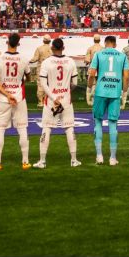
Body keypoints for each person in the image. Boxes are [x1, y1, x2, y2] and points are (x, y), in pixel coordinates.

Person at [34, 38, 80, 168]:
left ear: (52, 48)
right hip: (66, 99)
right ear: (63, 48)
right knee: (69, 128)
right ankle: (74, 160)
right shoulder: (71, 61)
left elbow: (43, 84)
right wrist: (65, 92)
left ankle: (42, 161)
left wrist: (54, 97)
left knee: (47, 128)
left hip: (51, 100)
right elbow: (75, 83)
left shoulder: (46, 62)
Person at [0, 33, 32, 171]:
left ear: (7, 42)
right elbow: (29, 78)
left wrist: (7, 94)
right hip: (19, 98)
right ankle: (25, 162)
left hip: (3, 99)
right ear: (18, 43)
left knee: (0, 129)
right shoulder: (24, 59)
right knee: (22, 129)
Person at [88, 35, 129, 166]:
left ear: (105, 43)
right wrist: (124, 93)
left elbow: (91, 73)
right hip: (115, 92)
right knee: (113, 124)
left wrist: (89, 89)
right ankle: (112, 158)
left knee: (98, 122)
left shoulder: (98, 54)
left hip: (100, 92)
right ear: (115, 44)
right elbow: (126, 76)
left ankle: (99, 156)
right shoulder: (122, 56)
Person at [29, 35, 53, 107]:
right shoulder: (53, 48)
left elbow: (35, 58)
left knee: (40, 85)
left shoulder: (39, 48)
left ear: (43, 40)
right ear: (50, 41)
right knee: (50, 85)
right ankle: (48, 101)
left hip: (41, 69)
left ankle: (40, 102)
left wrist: (29, 61)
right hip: (51, 69)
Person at [84, 34, 104, 106]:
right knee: (101, 84)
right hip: (101, 68)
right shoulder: (103, 48)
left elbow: (87, 60)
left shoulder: (90, 48)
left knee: (92, 84)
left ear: (94, 40)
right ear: (100, 40)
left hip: (92, 68)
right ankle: (100, 99)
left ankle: (92, 100)